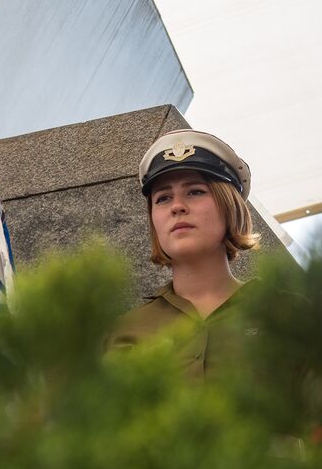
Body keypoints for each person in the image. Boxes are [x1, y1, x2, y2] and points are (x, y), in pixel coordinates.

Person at [108, 129, 263, 378]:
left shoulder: (285, 314)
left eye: (195, 191)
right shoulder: (124, 333)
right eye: (163, 198)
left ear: (230, 206)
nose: (177, 206)